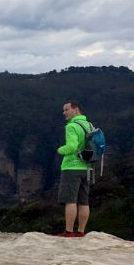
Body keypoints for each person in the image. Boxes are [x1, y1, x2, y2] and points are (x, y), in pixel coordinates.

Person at [56, 101, 92, 237]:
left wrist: (60, 150)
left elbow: (72, 146)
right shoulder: (89, 125)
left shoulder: (71, 126)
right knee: (84, 200)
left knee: (70, 200)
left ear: (75, 110)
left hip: (72, 167)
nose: (64, 113)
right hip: (87, 167)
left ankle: (69, 231)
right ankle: (81, 231)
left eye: (66, 110)